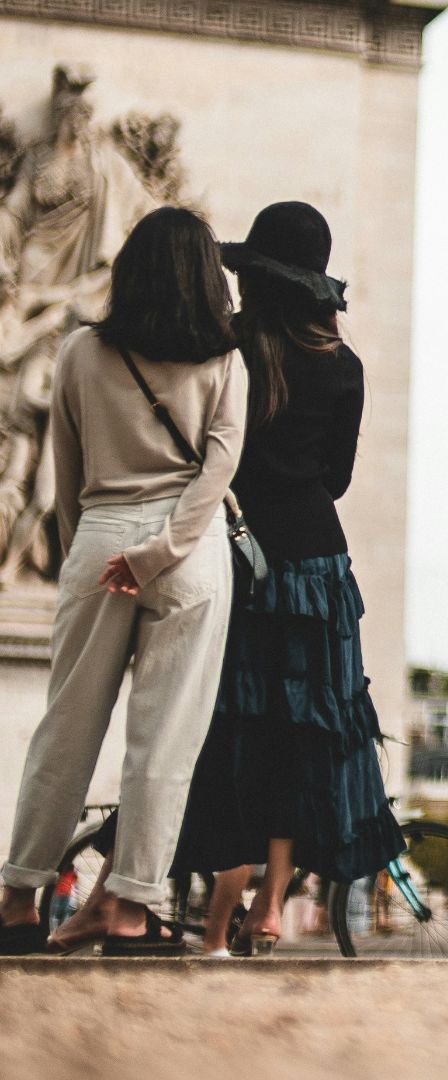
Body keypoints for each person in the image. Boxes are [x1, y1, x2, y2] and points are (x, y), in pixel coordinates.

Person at [155, 201, 405, 958]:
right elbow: (337, 479)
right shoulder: (343, 365)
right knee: (307, 734)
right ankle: (270, 902)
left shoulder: (228, 350)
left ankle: (220, 909)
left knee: (235, 728)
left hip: (237, 555)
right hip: (316, 567)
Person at [0, 207, 244, 957]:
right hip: (192, 553)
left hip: (101, 540)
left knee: (66, 731)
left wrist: (98, 555)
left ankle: (17, 903)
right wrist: (164, 549)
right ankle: (132, 912)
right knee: (165, 743)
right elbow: (219, 468)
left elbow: (66, 471)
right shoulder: (224, 358)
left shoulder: (80, 350)